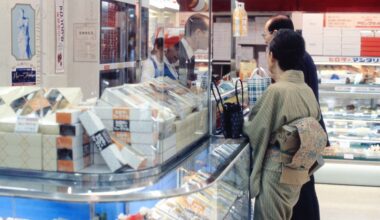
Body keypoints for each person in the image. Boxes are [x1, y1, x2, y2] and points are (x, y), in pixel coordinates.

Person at [244, 29, 326, 220]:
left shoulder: (277, 91)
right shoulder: (306, 90)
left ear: (272, 57)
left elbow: (256, 131)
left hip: (276, 172)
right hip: (295, 171)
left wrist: (239, 124)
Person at [178, 13, 209, 87]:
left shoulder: (190, 56)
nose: (212, 38)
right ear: (198, 33)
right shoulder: (178, 54)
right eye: (210, 34)